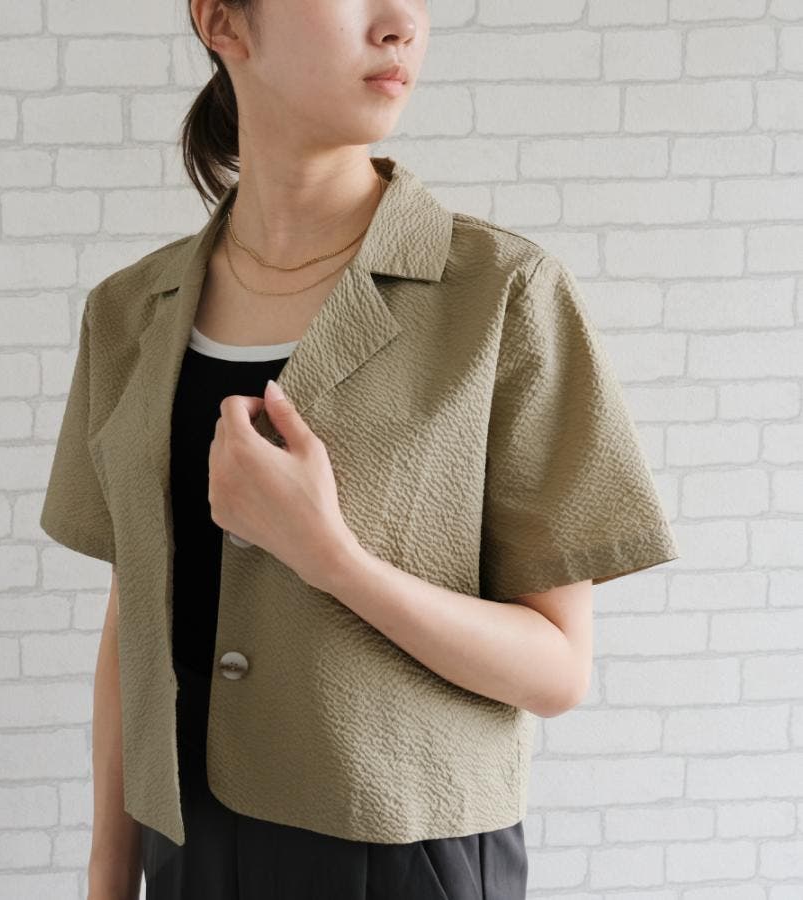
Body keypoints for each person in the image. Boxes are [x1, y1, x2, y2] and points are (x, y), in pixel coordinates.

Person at [39, 1, 680, 898]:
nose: (401, 22)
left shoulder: (503, 295)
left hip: (406, 857)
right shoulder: (129, 313)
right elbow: (133, 619)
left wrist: (331, 558)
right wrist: (107, 879)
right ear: (224, 22)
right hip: (187, 850)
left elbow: (557, 671)